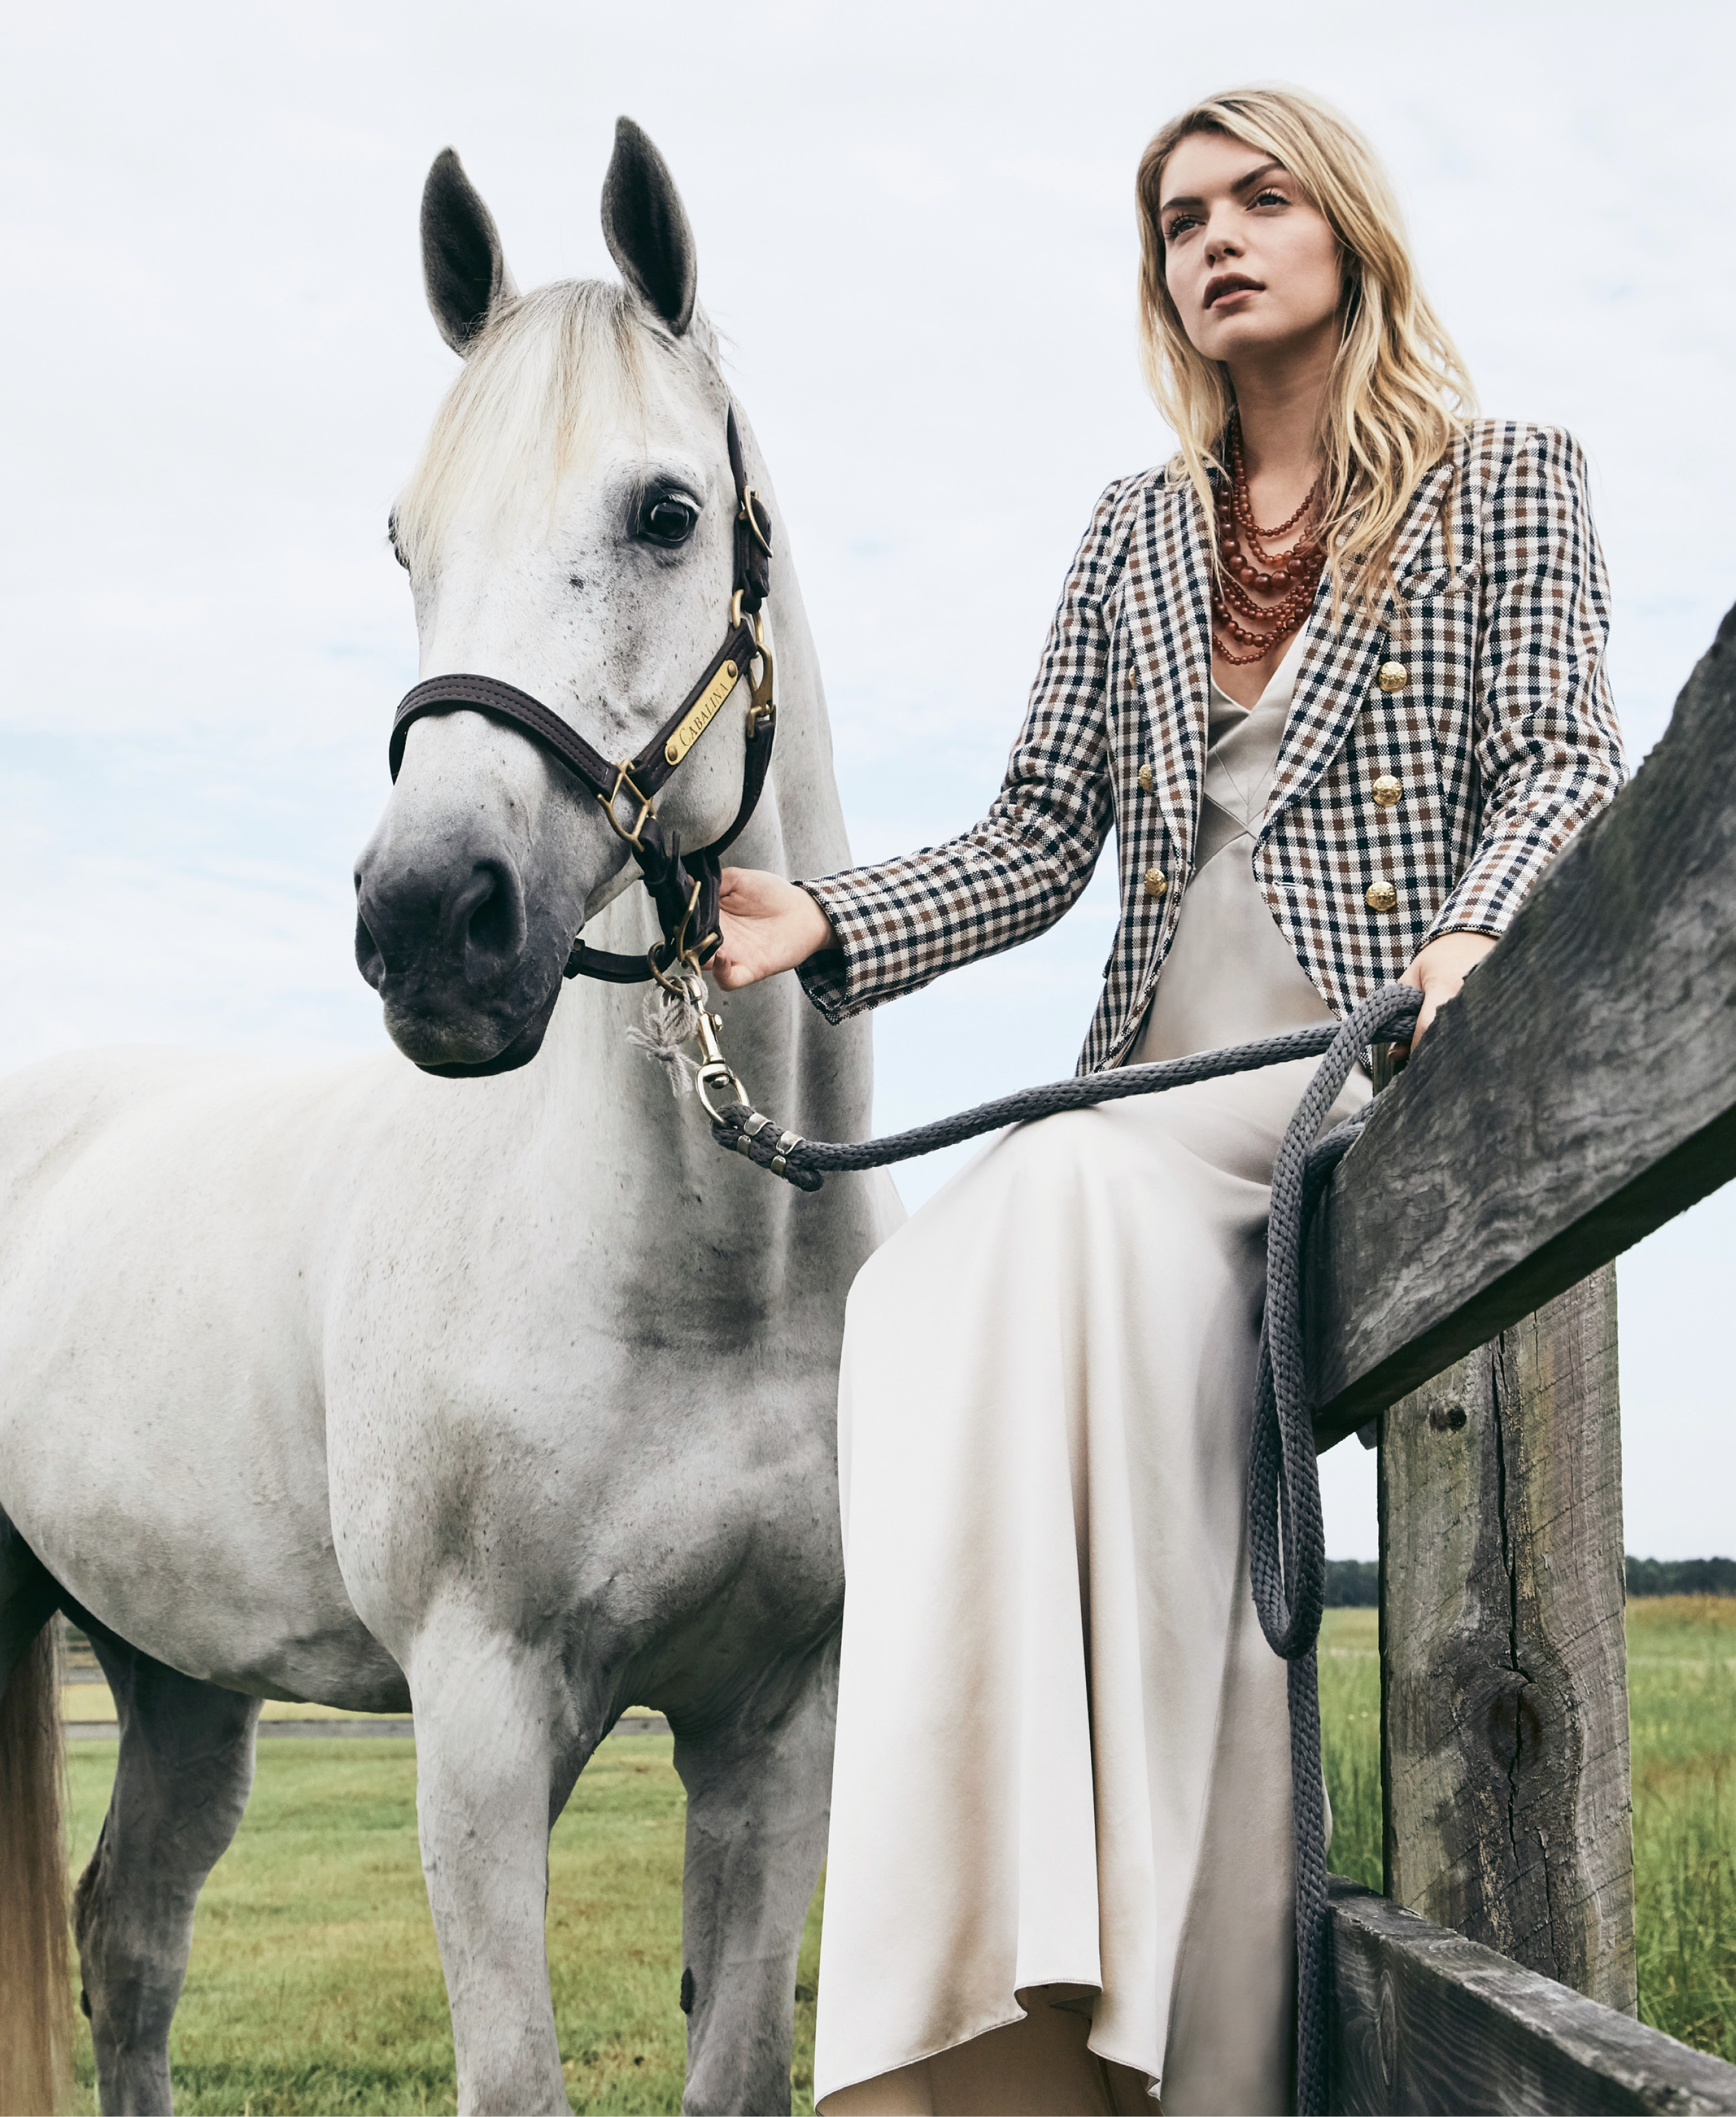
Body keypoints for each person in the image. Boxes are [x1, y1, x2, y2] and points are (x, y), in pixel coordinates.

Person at [714, 86, 1624, 2116]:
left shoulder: (1506, 486)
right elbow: (1038, 838)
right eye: (1175, 219)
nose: (1211, 238)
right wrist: (820, 920)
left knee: (1046, 1205)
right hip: (1158, 1081)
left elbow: (1567, 762)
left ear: (1347, 227)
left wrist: (1466, 946)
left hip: (1362, 1076)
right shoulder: (1131, 534)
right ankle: (1004, 1994)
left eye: (1253, 196)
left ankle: (1099, 1974)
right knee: (911, 1290)